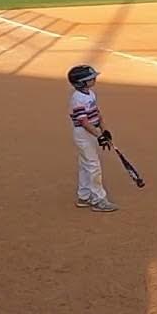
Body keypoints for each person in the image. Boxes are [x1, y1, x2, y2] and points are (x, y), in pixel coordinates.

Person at [68, 65, 118, 212]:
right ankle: (98, 200)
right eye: (91, 78)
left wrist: (104, 130)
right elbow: (83, 122)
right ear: (81, 82)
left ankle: (83, 197)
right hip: (83, 134)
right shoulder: (77, 99)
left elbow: (97, 113)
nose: (94, 79)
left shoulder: (90, 94)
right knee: (93, 166)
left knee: (85, 165)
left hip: (92, 131)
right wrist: (99, 136)